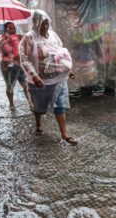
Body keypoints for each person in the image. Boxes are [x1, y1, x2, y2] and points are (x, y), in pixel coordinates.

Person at [19, 10, 78, 145]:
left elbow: (61, 54)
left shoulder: (53, 36)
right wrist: (34, 76)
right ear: (34, 23)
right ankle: (38, 123)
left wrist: (68, 70)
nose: (45, 27)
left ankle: (65, 135)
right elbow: (24, 60)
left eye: (46, 23)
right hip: (38, 82)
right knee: (39, 108)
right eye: (41, 24)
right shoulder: (29, 38)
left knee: (60, 106)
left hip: (57, 80)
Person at [0, 22, 32, 111]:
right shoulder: (1, 38)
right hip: (8, 67)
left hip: (20, 65)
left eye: (13, 28)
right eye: (9, 28)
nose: (12, 30)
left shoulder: (18, 37)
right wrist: (3, 40)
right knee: (10, 86)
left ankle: (30, 102)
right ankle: (11, 103)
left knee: (25, 85)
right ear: (5, 29)